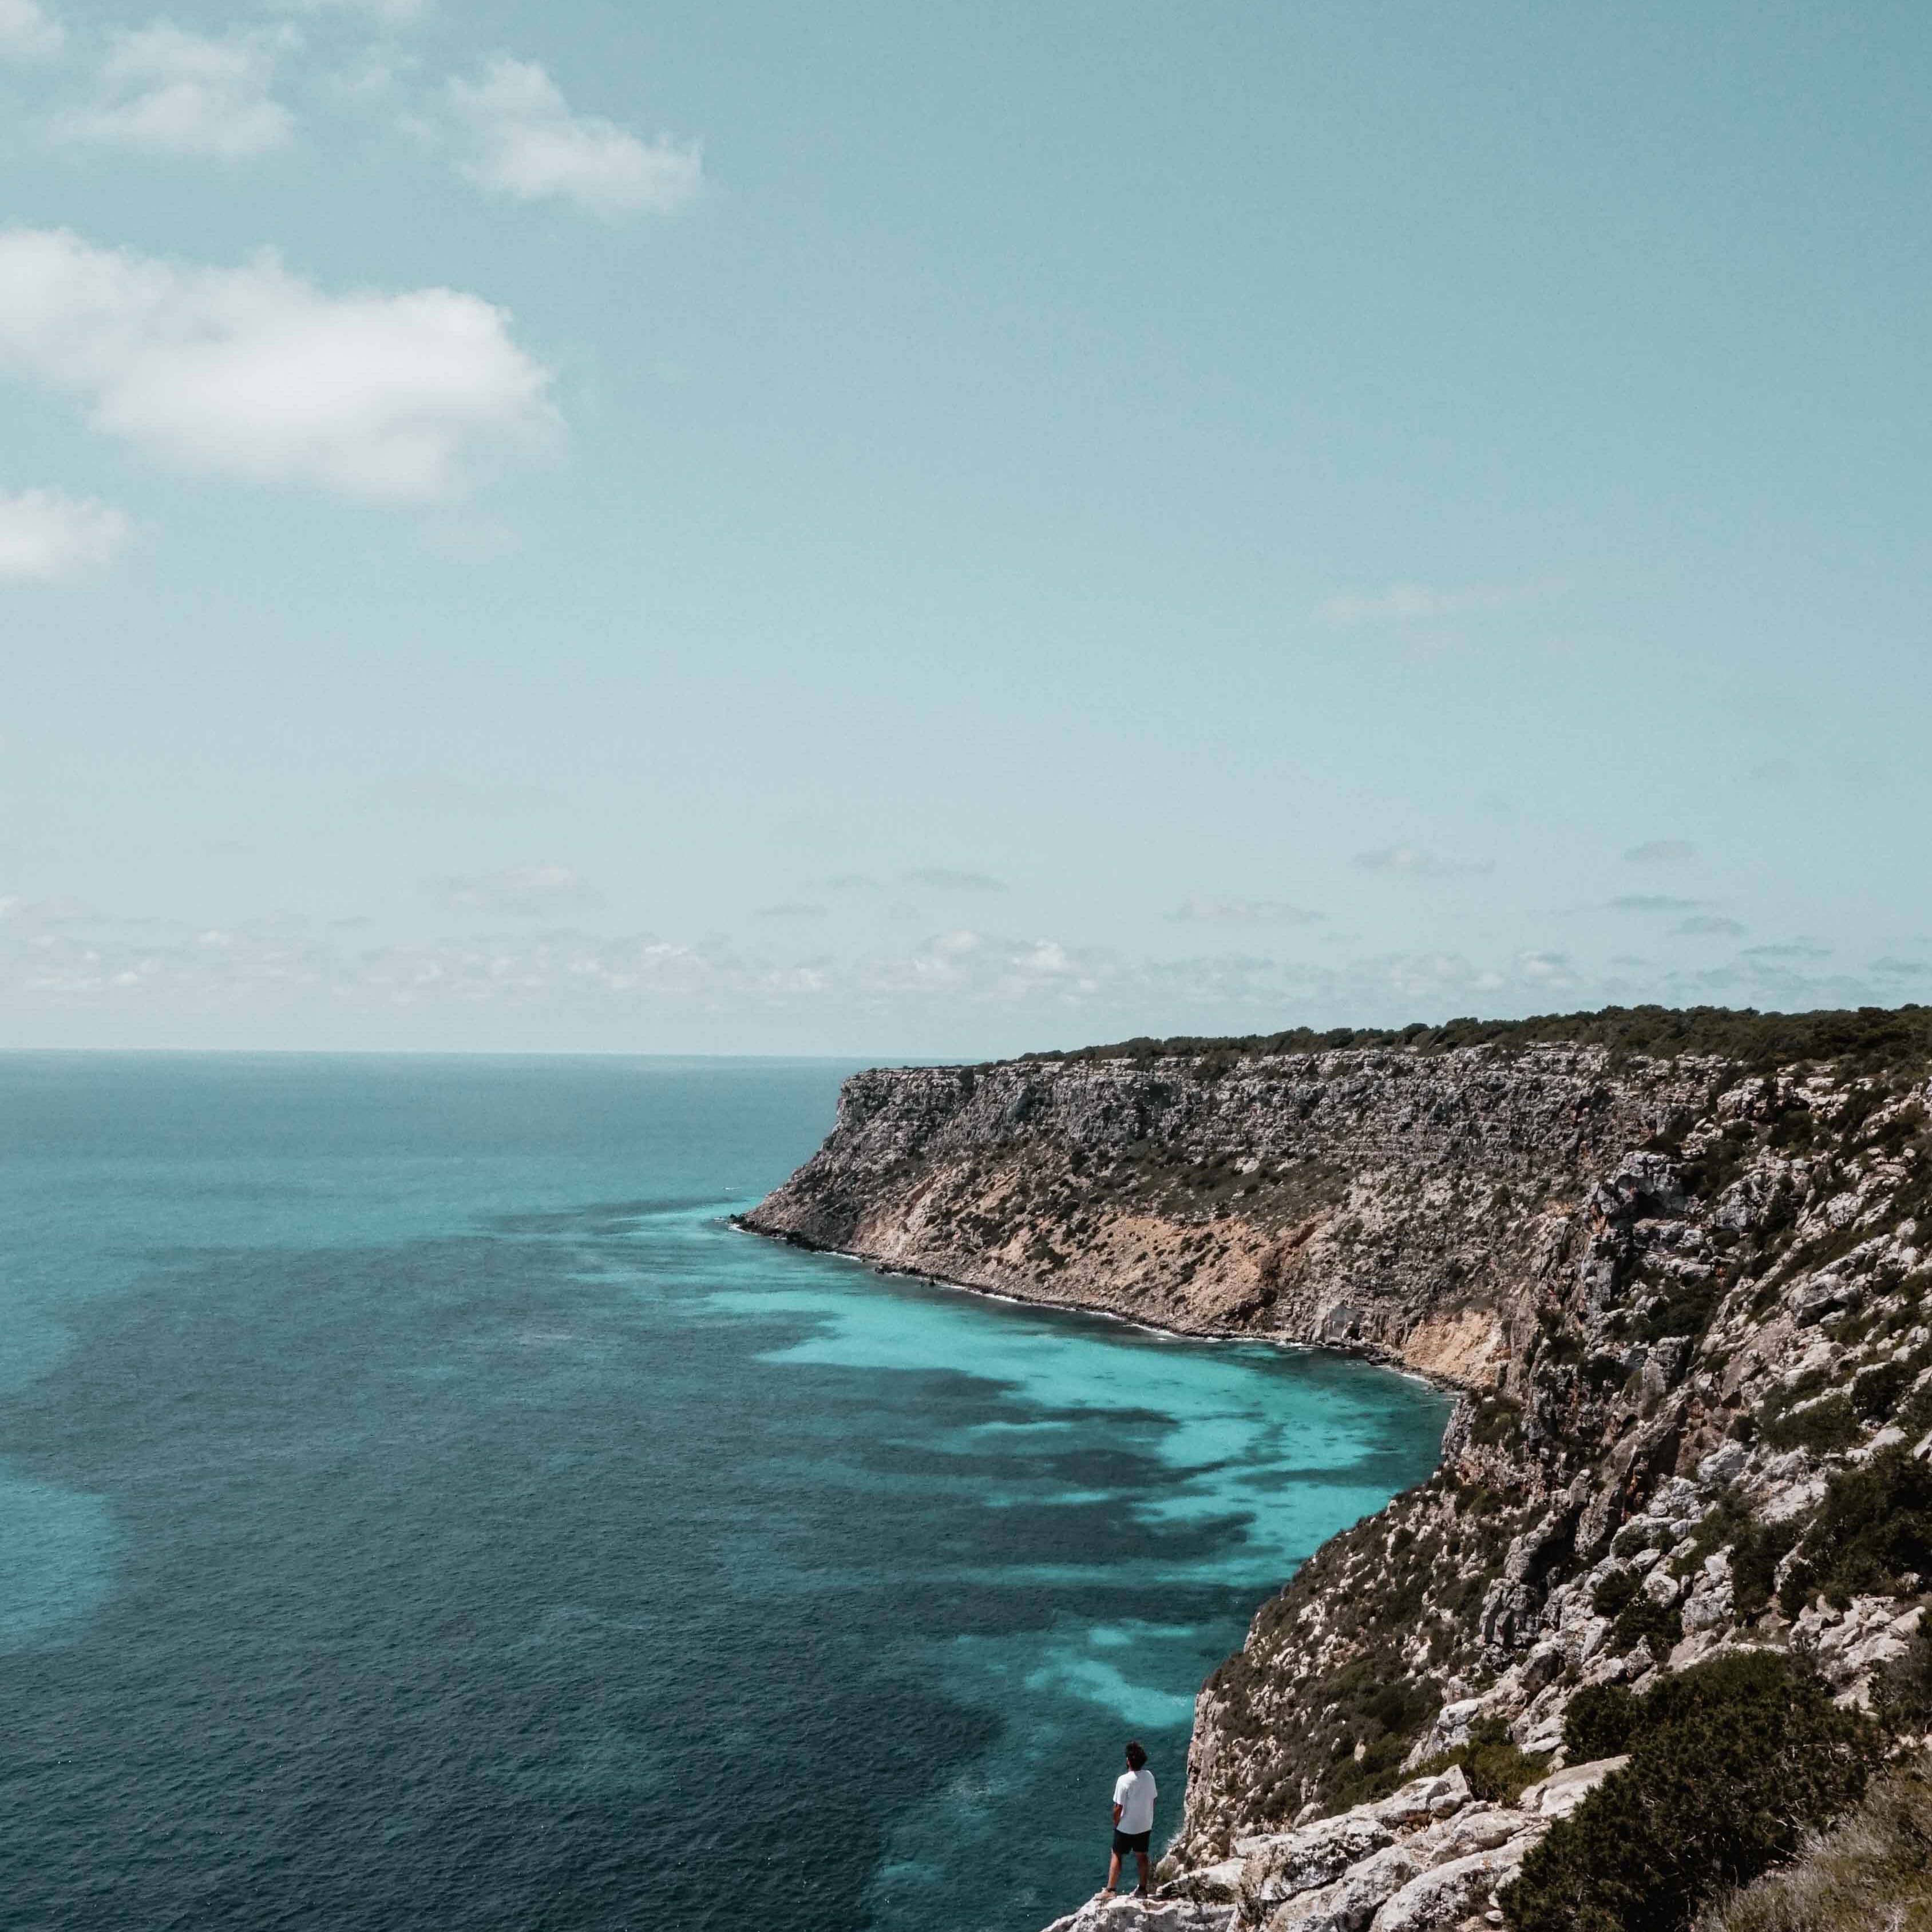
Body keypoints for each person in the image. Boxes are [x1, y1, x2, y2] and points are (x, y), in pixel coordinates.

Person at [1099, 1739, 1157, 1901]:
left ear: (1128, 1761)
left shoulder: (1123, 1780)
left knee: (1117, 1854)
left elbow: (1118, 1807)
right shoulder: (1149, 1776)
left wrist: (1116, 1822)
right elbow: (1153, 1799)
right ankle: (1143, 1889)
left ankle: (1111, 1890)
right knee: (1142, 1855)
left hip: (1126, 1826)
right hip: (1145, 1824)